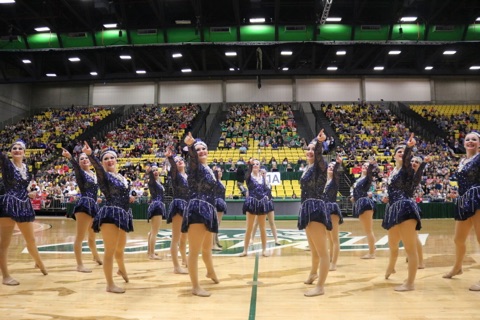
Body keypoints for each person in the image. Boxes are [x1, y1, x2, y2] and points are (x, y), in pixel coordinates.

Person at [83, 142, 134, 294]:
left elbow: (124, 193)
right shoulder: (103, 175)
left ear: (116, 160)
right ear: (102, 163)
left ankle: (122, 270)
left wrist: (131, 195)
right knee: (110, 251)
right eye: (106, 159)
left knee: (120, 249)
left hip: (123, 215)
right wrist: (91, 155)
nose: (110, 160)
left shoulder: (122, 177)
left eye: (112, 158)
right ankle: (109, 284)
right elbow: (97, 168)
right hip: (110, 214)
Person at [0, 139, 48, 286]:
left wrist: (28, 194)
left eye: (19, 148)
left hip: (24, 206)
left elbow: (21, 187)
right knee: (4, 244)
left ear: (24, 152)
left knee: (31, 240)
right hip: (8, 205)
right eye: (14, 148)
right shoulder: (7, 165)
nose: (16, 150)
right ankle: (6, 276)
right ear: (10, 152)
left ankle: (40, 263)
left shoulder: (27, 168)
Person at [382, 133, 422, 291]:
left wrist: (409, 147)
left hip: (405, 208)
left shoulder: (407, 168)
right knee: (392, 244)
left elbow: (407, 159)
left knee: (410, 248)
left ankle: (410, 283)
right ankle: (391, 267)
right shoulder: (392, 172)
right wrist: (387, 197)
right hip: (393, 210)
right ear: (393, 155)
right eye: (398, 151)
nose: (402, 153)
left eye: (403, 152)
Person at [182, 132, 219, 297]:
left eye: (204, 148)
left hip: (208, 210)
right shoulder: (194, 166)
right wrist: (191, 146)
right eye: (198, 149)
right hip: (197, 209)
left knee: (206, 248)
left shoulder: (208, 168)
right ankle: (195, 286)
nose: (202, 151)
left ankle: (210, 272)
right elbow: (193, 159)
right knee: (195, 250)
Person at [443, 132, 480, 291]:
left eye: (474, 139)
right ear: (463, 143)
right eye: (468, 139)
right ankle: (458, 267)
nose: (470, 141)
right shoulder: (463, 160)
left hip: (478, 198)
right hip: (464, 200)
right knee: (458, 239)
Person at [298, 129, 331, 297]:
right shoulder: (308, 168)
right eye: (308, 149)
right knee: (313, 248)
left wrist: (319, 143)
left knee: (322, 251)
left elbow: (319, 155)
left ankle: (321, 286)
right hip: (307, 209)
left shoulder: (320, 166)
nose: (310, 151)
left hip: (316, 209)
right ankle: (313, 272)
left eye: (313, 149)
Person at [62, 148, 102, 272]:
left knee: (92, 236)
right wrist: (70, 157)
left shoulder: (93, 174)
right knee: (80, 237)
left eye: (86, 158)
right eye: (81, 159)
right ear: (79, 163)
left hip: (93, 205)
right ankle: (79, 265)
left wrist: (97, 198)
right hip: (84, 205)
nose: (84, 160)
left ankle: (96, 256)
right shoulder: (80, 173)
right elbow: (75, 165)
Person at [240, 160, 275, 257]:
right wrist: (249, 164)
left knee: (263, 228)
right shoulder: (249, 176)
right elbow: (247, 173)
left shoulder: (263, 178)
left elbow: (266, 189)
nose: (255, 165)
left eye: (257, 164)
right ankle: (245, 250)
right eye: (253, 164)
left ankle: (264, 250)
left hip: (262, 203)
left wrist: (266, 197)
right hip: (251, 203)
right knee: (249, 228)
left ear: (260, 166)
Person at [165, 148, 188, 274]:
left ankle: (184, 260)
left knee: (185, 237)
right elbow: (173, 167)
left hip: (187, 207)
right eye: (177, 161)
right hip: (178, 204)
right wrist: (170, 158)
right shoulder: (175, 175)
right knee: (176, 238)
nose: (179, 162)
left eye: (181, 160)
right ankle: (176, 266)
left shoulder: (187, 176)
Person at [351, 159, 377, 259]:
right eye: (364, 165)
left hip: (365, 203)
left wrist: (370, 165)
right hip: (360, 203)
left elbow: (370, 172)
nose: (365, 167)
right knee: (367, 229)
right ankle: (372, 248)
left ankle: (371, 253)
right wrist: (353, 197)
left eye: (367, 166)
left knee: (368, 230)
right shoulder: (359, 179)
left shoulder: (367, 178)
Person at [323, 155, 343, 271]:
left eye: (332, 166)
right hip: (325, 210)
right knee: (328, 238)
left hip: (332, 208)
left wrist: (337, 164)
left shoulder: (335, 180)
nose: (331, 167)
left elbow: (336, 173)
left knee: (334, 239)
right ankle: (330, 259)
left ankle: (334, 263)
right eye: (329, 166)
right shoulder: (325, 182)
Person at [146, 165, 166, 260]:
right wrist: (149, 171)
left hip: (157, 205)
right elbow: (151, 177)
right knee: (154, 232)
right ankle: (152, 254)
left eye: (156, 170)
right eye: (153, 171)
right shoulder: (152, 182)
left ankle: (150, 251)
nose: (155, 172)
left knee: (152, 231)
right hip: (157, 206)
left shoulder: (158, 182)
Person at [212, 166, 226, 251]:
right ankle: (212, 244)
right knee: (215, 224)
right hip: (217, 203)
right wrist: (215, 171)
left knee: (218, 224)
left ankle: (216, 240)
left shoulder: (221, 182)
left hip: (221, 203)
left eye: (221, 171)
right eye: (218, 172)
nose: (220, 173)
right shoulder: (215, 182)